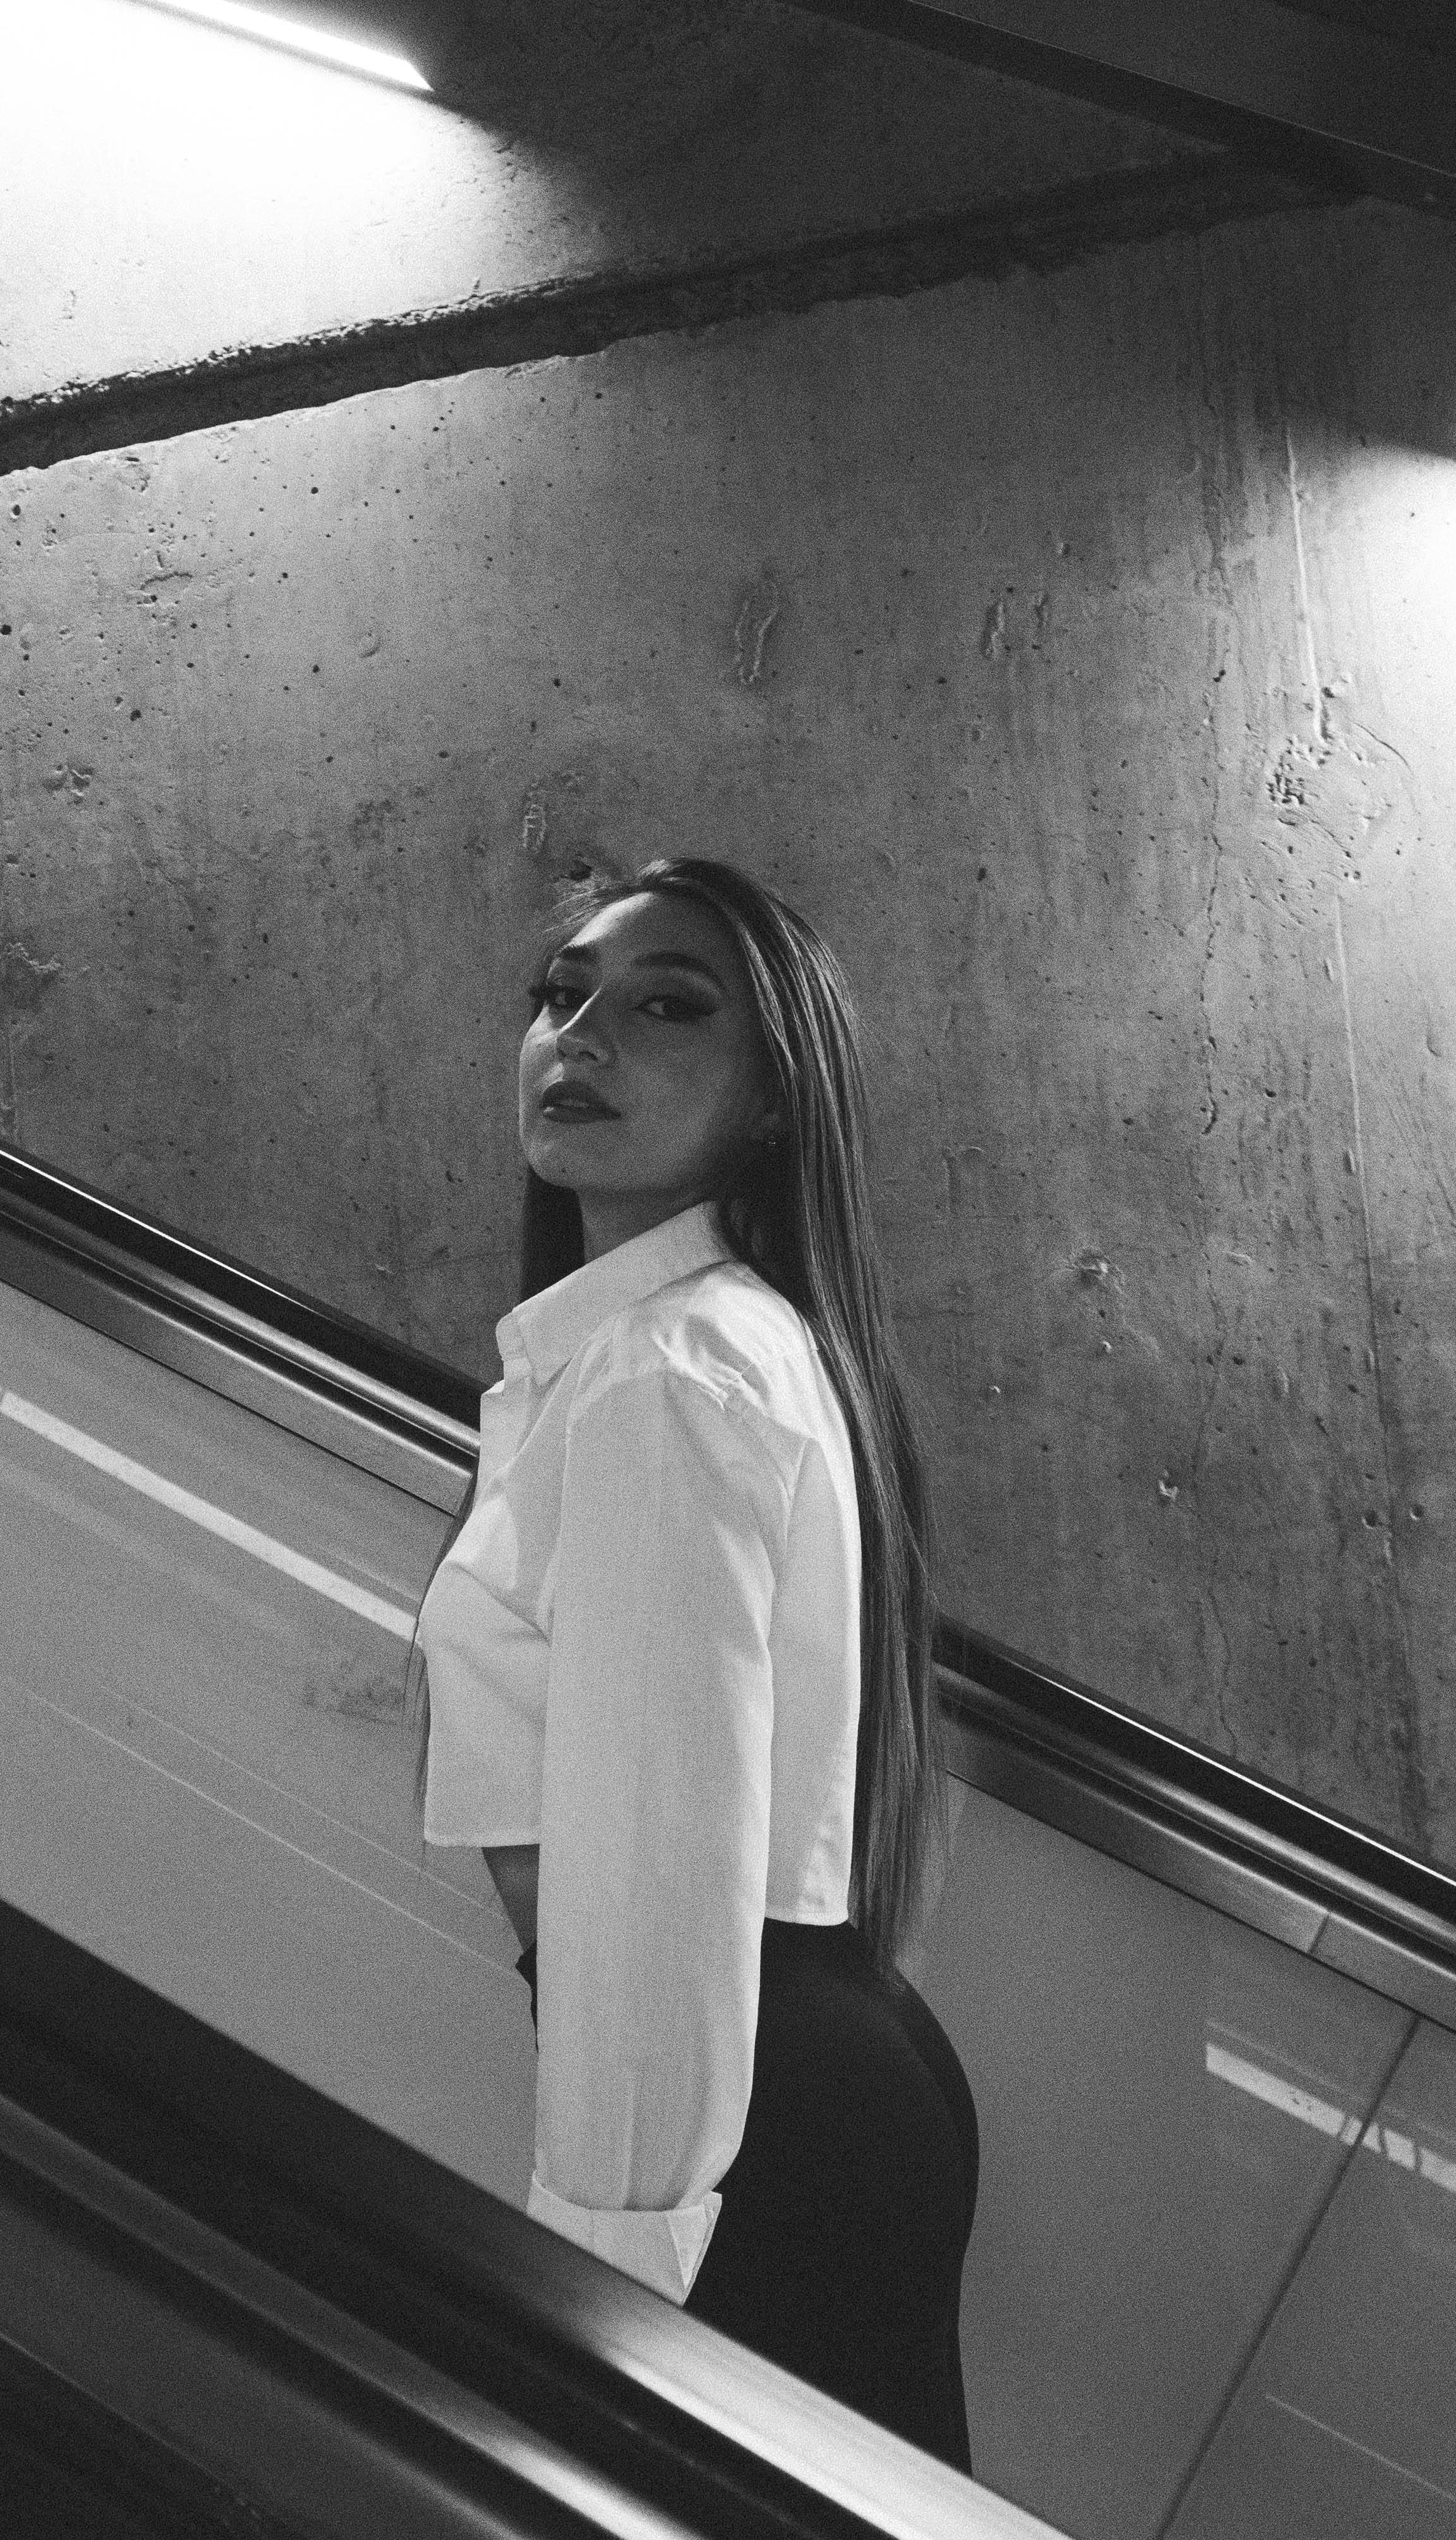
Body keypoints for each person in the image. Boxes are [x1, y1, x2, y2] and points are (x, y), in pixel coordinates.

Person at [411, 856, 977, 2467]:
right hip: (793, 2080)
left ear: (774, 1099)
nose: (579, 1033)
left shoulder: (670, 1373)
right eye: (560, 992)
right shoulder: (677, 1343)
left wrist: (602, 2280)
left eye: (666, 1004)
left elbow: (656, 1881)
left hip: (736, 2121)